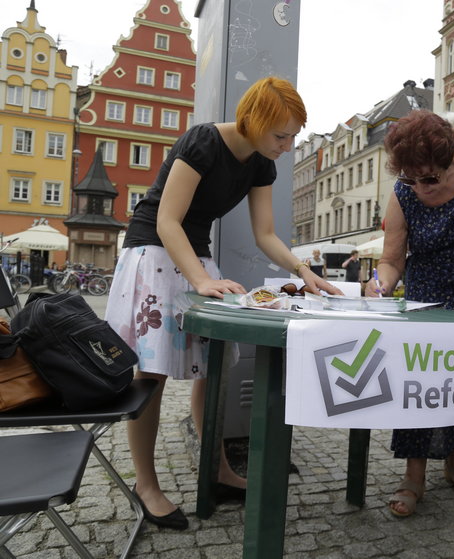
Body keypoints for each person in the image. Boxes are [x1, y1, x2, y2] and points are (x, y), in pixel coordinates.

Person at [105, 77, 339, 530]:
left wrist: (303, 271)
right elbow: (168, 220)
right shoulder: (204, 141)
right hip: (154, 249)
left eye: (294, 135)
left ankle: (217, 469)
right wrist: (200, 278)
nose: (288, 145)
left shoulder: (261, 162)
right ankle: (146, 484)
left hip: (195, 256)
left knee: (216, 364)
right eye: (281, 135)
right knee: (150, 372)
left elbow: (265, 234)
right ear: (253, 121)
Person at [364, 109, 454, 518]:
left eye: (429, 178)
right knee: (418, 388)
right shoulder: (404, 192)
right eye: (409, 178)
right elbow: (392, 258)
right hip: (423, 298)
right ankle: (413, 474)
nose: (419, 186)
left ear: (448, 157)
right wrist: (380, 284)